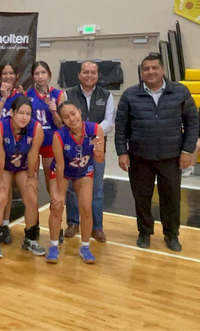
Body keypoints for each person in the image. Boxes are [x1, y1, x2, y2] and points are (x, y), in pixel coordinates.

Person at [115, 53, 199, 252]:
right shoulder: (130, 95)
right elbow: (121, 127)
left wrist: (187, 151)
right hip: (139, 157)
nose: (150, 72)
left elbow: (193, 123)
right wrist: (122, 152)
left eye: (154, 68)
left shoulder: (180, 92)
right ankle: (144, 231)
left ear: (163, 70)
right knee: (142, 198)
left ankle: (171, 234)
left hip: (171, 157)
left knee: (171, 198)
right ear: (141, 72)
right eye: (146, 69)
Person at [46, 101, 104, 264]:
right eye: (66, 117)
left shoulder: (94, 129)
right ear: (62, 120)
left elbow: (100, 159)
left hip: (84, 170)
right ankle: (53, 245)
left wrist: (98, 152)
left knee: (86, 207)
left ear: (79, 111)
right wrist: (58, 192)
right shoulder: (59, 135)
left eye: (73, 113)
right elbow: (60, 165)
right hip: (62, 171)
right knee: (57, 205)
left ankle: (85, 246)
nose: (71, 118)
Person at [64, 61, 115, 243]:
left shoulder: (106, 95)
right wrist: (79, 135)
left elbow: (109, 122)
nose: (89, 75)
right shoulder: (68, 94)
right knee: (71, 189)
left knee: (97, 189)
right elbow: (65, 119)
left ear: (97, 75)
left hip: (96, 149)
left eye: (93, 72)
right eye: (85, 72)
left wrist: (89, 133)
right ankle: (72, 223)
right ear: (79, 74)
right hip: (72, 149)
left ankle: (97, 227)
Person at [0, 96, 44, 258]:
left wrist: (31, 176)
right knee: (0, 197)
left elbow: (34, 154)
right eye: (21, 113)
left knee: (32, 198)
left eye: (28, 114)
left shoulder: (36, 128)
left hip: (23, 166)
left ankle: (30, 238)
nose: (24, 117)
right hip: (3, 165)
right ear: (12, 112)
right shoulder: (0, 126)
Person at [26, 61, 65, 192]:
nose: (40, 76)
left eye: (43, 72)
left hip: (51, 142)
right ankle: (33, 210)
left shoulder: (59, 95)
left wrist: (54, 112)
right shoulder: (27, 95)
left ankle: (54, 209)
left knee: (51, 178)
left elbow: (61, 125)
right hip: (33, 143)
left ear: (49, 75)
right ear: (33, 76)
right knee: (32, 177)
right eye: (37, 73)